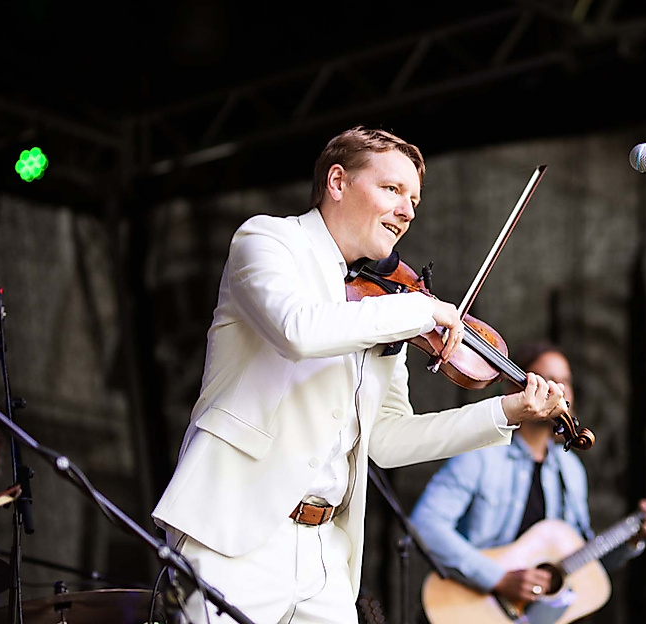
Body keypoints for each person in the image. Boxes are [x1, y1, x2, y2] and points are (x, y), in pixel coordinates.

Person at [151, 127, 568, 624]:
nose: (408, 211)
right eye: (393, 189)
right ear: (337, 182)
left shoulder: (386, 299)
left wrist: (505, 411)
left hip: (327, 551)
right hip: (236, 535)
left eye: (414, 200)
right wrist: (417, 310)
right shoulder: (268, 240)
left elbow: (387, 439)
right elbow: (296, 329)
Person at [409, 342, 646, 604]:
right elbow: (425, 525)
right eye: (548, 380)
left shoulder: (570, 468)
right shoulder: (480, 456)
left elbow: (582, 557)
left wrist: (632, 537)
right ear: (516, 389)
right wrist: (498, 578)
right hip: (471, 607)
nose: (560, 391)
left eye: (566, 382)